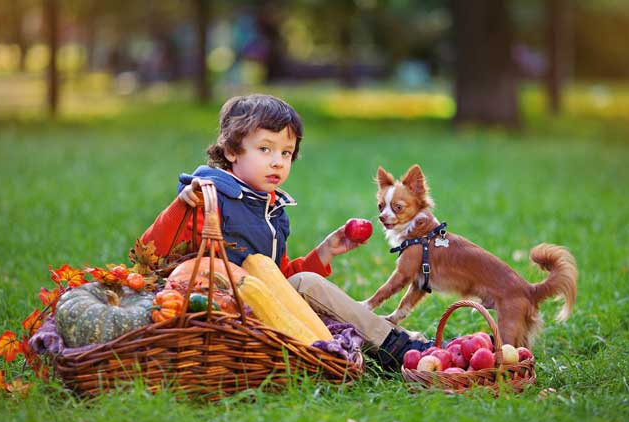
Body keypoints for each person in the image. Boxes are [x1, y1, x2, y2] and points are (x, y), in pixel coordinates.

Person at [140, 94, 431, 368]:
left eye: (287, 152)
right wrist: (181, 205)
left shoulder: (273, 209)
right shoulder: (207, 196)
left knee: (306, 281)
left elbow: (280, 281)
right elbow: (149, 255)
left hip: (264, 309)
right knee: (307, 284)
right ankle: (394, 346)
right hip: (216, 313)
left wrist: (324, 252)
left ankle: (390, 345)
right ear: (231, 151)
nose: (277, 161)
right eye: (265, 149)